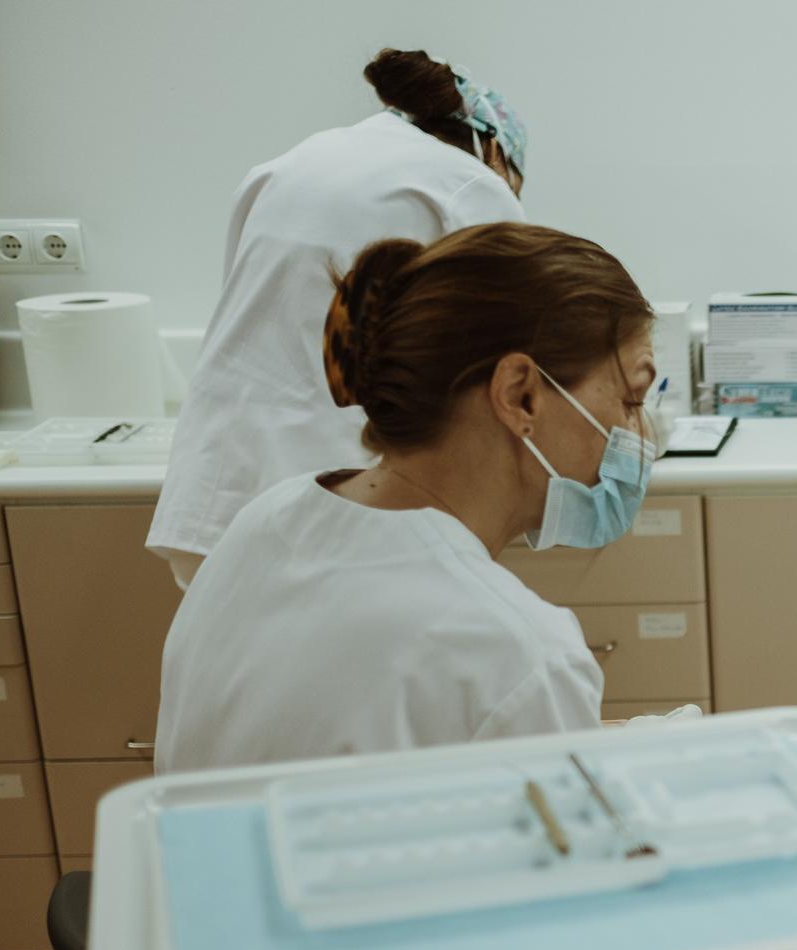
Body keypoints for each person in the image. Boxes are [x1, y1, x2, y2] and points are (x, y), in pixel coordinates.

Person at [154, 222, 660, 774]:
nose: (642, 435)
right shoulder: (513, 649)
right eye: (631, 398)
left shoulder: (268, 519)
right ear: (522, 395)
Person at [148, 48, 529, 588]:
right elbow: (514, 345)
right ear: (493, 148)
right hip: (337, 507)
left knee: (240, 667)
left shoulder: (293, 162)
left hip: (214, 493)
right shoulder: (469, 184)